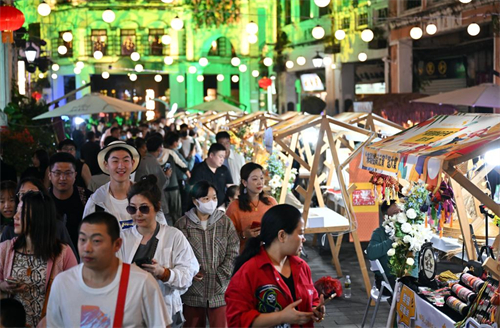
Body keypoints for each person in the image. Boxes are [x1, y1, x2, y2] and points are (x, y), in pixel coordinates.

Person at [47, 212, 171, 327]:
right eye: (82, 240)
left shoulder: (141, 283)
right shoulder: (63, 283)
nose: (87, 248)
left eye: (96, 241)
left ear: (117, 244)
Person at [225, 204, 325, 328]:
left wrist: (315, 308)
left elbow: (312, 299)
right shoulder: (249, 272)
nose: (303, 239)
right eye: (301, 233)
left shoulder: (302, 266)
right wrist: (281, 317)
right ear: (282, 235)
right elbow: (237, 320)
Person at [119, 175, 198, 327]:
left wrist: (165, 273)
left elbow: (189, 273)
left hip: (166, 311)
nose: (137, 214)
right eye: (132, 208)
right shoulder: (123, 238)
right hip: (133, 313)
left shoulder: (173, 236)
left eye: (143, 208)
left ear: (157, 206)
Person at [0, 191, 77, 327]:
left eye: (22, 212)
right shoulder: (5, 249)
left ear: (39, 216)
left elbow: (76, 292)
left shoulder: (63, 253)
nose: (15, 217)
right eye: (17, 211)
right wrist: (3, 286)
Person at [175, 181, 239, 328]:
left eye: (214, 198)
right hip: (192, 292)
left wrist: (222, 276)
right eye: (206, 199)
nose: (211, 202)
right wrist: (190, 272)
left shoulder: (225, 223)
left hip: (220, 291)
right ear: (194, 201)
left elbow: (233, 251)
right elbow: (177, 255)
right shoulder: (182, 225)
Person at [84, 141, 167, 229]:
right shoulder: (97, 201)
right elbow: (88, 235)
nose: (121, 166)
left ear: (133, 163)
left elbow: (162, 231)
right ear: (106, 164)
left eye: (126, 160)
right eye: (115, 161)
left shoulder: (146, 195)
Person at [0, 177, 77, 256]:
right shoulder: (9, 231)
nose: (26, 198)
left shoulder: (57, 226)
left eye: (32, 193)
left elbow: (75, 266)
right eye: (22, 194)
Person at [226, 162, 277, 253]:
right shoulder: (234, 207)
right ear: (244, 182)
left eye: (261, 178)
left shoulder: (271, 202)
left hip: (270, 253)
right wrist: (244, 235)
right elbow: (226, 237)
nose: (260, 182)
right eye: (254, 179)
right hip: (245, 256)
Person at [48, 152, 93, 252]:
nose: (62, 178)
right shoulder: (42, 200)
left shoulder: (88, 198)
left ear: (75, 175)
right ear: (50, 175)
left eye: (68, 173)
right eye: (57, 173)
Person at [134, 135, 172, 223]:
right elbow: (161, 184)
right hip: (154, 202)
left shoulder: (142, 161)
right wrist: (166, 175)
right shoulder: (152, 161)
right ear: (159, 148)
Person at [366, 200, 401, 296]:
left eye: (400, 212)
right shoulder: (379, 232)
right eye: (395, 213)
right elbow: (371, 253)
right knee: (407, 292)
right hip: (387, 281)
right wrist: (391, 241)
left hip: (404, 278)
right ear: (385, 217)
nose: (399, 216)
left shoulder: (408, 231)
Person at [159, 132, 190, 223]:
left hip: (161, 189)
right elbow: (184, 166)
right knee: (176, 214)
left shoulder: (152, 156)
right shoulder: (171, 153)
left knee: (165, 215)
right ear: (174, 142)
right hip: (173, 187)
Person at [189, 143, 233, 207]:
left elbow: (230, 187)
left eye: (224, 157)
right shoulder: (199, 170)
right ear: (211, 155)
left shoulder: (224, 169)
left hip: (221, 208)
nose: (222, 159)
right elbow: (193, 191)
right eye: (220, 156)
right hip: (203, 208)